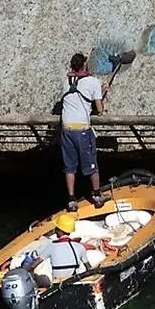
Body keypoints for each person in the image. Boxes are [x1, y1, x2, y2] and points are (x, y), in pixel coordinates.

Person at [56, 52, 107, 211]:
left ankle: (71, 200)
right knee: (91, 165)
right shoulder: (93, 82)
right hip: (81, 130)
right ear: (84, 64)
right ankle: (97, 195)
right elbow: (99, 109)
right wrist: (103, 90)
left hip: (66, 129)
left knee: (69, 166)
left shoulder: (67, 80)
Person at [30, 212, 89, 283]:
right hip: (74, 282)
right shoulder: (80, 247)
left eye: (56, 228)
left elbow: (33, 266)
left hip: (58, 285)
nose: (55, 231)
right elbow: (89, 268)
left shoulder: (51, 246)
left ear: (60, 231)